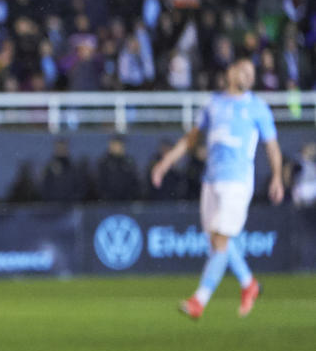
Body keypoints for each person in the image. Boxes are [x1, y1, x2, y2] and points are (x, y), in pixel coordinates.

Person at [150, 60, 284, 319]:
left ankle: (199, 301)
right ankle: (249, 283)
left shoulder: (257, 108)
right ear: (231, 72)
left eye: (252, 74)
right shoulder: (213, 103)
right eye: (244, 71)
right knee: (216, 240)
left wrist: (277, 176)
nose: (248, 76)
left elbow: (272, 146)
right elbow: (192, 138)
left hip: (237, 181)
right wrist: (165, 163)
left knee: (221, 240)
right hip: (211, 180)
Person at [95, 134, 140, 201]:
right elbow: (99, 185)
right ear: (111, 145)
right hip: (108, 204)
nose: (121, 147)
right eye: (118, 144)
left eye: (122, 144)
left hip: (127, 204)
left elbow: (135, 183)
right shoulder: (103, 163)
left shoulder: (129, 162)